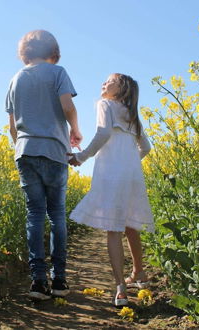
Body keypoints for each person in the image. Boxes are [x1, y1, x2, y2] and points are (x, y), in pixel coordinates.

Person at [6, 30, 82, 301]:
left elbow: (13, 126)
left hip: (25, 151)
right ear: (53, 52)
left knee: (35, 215)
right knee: (57, 214)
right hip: (53, 150)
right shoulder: (57, 72)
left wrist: (21, 147)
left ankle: (38, 282)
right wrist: (75, 130)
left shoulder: (15, 79)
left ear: (25, 52)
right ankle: (59, 279)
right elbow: (67, 106)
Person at [68, 73, 154, 307]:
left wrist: (81, 157)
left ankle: (121, 289)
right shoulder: (132, 114)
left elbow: (103, 132)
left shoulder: (105, 104)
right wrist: (130, 162)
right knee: (130, 225)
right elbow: (145, 147)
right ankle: (139, 274)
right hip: (132, 174)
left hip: (111, 174)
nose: (104, 83)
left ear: (123, 87)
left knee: (113, 229)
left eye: (110, 80)